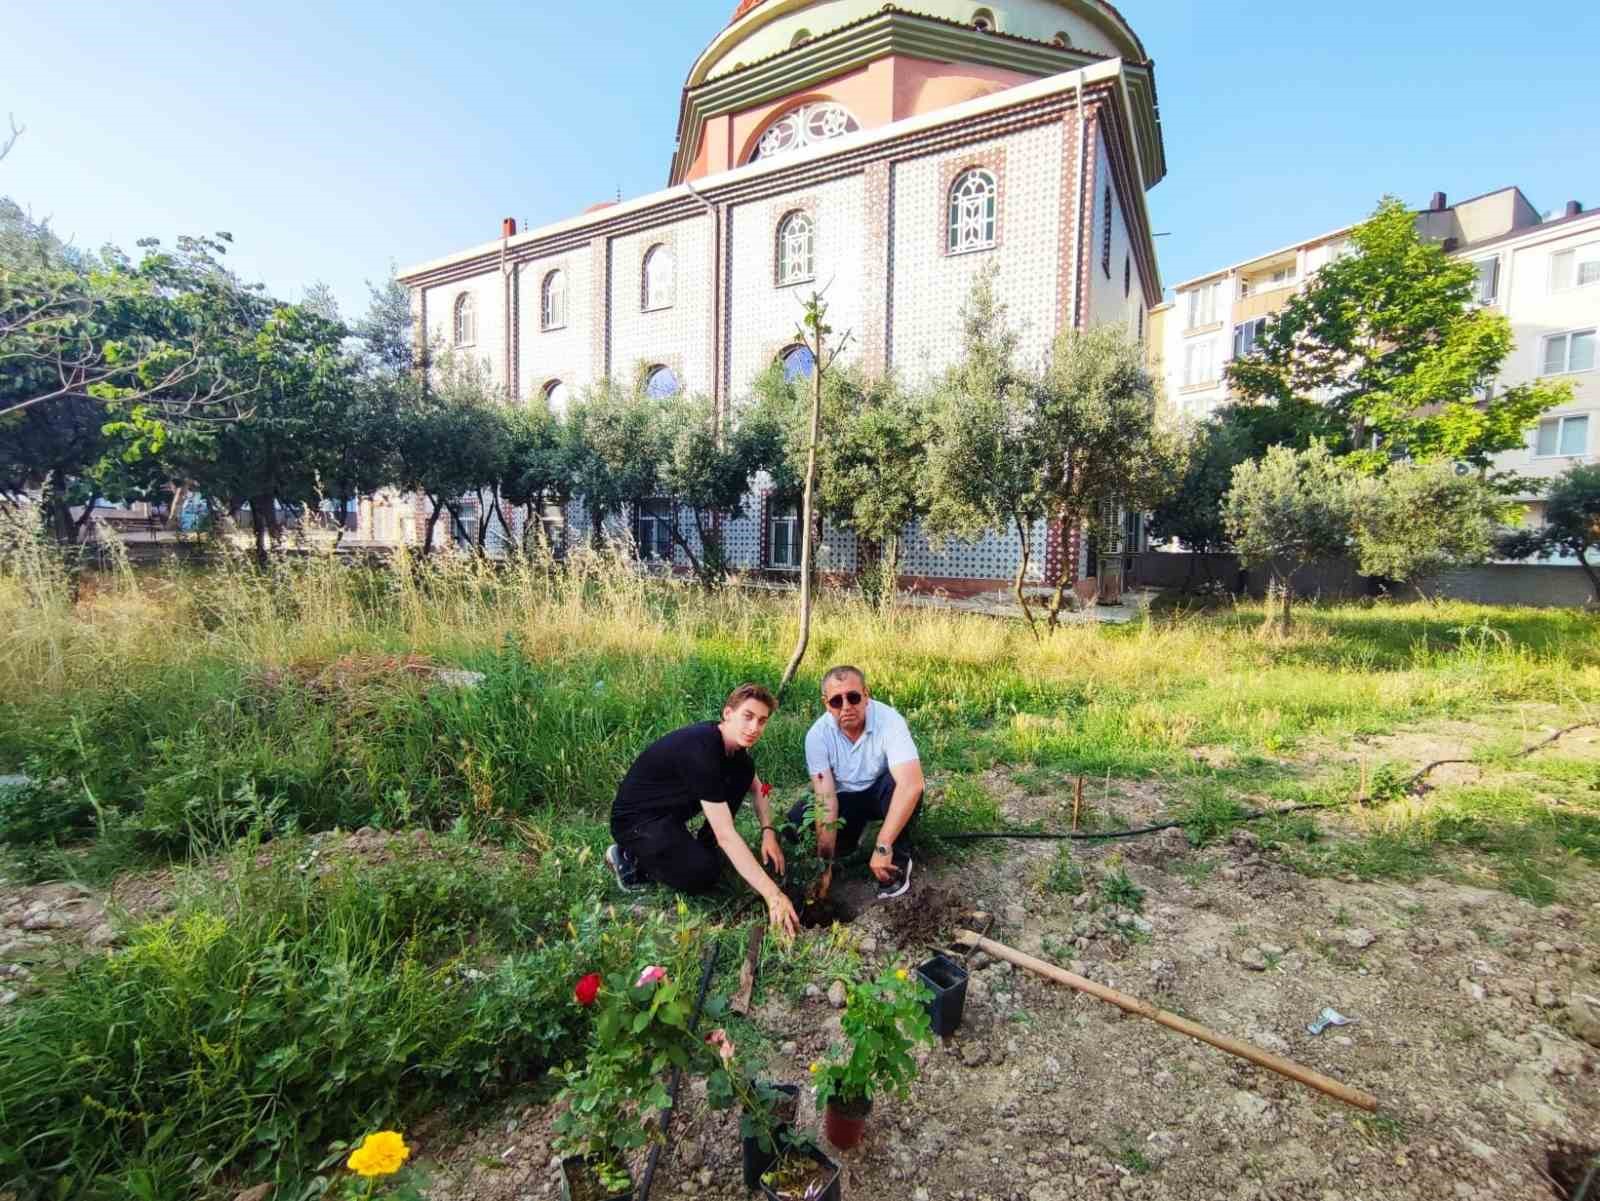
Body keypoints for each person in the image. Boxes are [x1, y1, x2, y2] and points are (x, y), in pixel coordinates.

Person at [606, 683, 800, 935]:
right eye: (748, 716)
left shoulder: (737, 754)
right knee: (702, 875)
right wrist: (773, 894)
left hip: (668, 818)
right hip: (636, 822)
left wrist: (768, 831)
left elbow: (762, 789)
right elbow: (726, 834)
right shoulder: (702, 749)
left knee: (743, 774)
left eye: (762, 721)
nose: (754, 728)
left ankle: (704, 850)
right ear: (728, 714)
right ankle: (629, 858)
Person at [786, 665, 924, 899]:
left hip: (881, 792)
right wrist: (824, 864)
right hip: (845, 799)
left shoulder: (890, 721)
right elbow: (825, 799)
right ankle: (849, 841)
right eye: (836, 701)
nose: (847, 706)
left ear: (866, 695)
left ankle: (896, 858)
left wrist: (883, 845)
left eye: (853, 697)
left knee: (902, 785)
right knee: (796, 821)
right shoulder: (817, 736)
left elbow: (912, 784)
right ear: (825, 703)